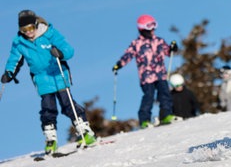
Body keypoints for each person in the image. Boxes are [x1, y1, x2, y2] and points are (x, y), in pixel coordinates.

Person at [1, 10, 97, 155]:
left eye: (30, 28)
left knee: (67, 104)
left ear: (35, 25)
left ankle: (85, 131)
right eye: (23, 30)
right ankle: (50, 140)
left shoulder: (49, 34)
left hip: (58, 74)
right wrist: (9, 73)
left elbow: (69, 50)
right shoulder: (19, 43)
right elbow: (14, 60)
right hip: (41, 79)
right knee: (48, 109)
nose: (28, 32)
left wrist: (60, 53)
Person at [112, 14, 178, 128]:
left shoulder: (159, 41)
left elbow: (168, 52)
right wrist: (119, 65)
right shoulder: (136, 44)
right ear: (142, 29)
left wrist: (173, 48)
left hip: (160, 73)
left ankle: (166, 115)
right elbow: (128, 55)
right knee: (149, 96)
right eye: (149, 27)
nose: (152, 30)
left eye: (153, 27)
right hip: (146, 77)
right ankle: (145, 120)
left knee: (165, 94)